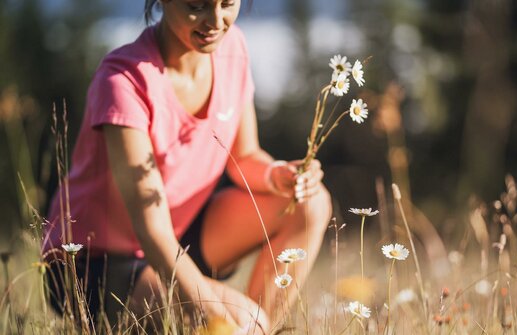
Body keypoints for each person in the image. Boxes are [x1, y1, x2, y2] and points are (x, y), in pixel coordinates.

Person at [45, 0, 332, 332]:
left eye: (228, 4)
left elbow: (245, 156)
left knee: (311, 203)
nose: (216, 21)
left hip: (179, 236)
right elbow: (151, 229)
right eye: (197, 6)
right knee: (239, 321)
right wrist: (211, 310)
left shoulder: (233, 49)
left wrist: (276, 175)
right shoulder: (124, 81)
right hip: (92, 261)